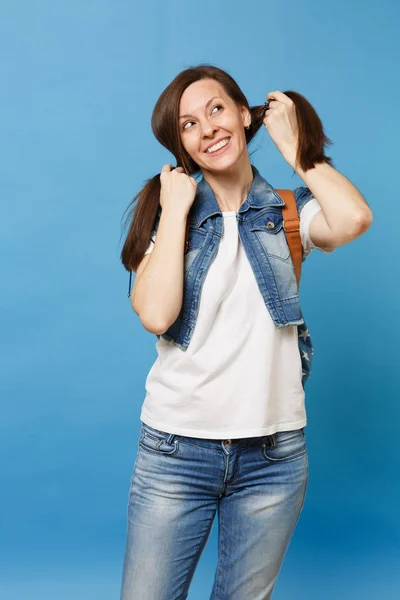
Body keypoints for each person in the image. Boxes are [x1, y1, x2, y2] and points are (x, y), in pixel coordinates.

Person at [119, 64, 373, 599]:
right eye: (189, 124)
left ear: (242, 113)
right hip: (176, 453)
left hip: (273, 458)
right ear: (182, 145)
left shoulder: (290, 213)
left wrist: (300, 154)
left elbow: (353, 218)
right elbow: (157, 315)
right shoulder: (169, 216)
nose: (207, 127)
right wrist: (176, 208)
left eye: (215, 109)